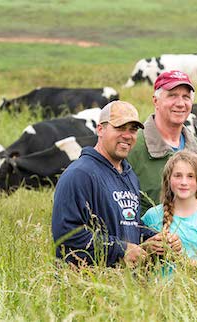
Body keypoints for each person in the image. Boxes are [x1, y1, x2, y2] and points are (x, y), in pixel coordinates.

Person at [52, 101, 180, 267]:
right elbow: (67, 235)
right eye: (120, 128)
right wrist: (122, 249)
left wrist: (154, 239)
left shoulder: (129, 175)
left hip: (123, 286)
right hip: (88, 284)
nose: (127, 135)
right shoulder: (79, 174)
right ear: (100, 129)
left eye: (133, 130)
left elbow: (129, 225)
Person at [128, 70, 197, 214]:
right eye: (172, 96)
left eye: (186, 97)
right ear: (155, 101)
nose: (180, 103)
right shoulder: (133, 147)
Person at [141, 151, 197, 271]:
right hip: (153, 288)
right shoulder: (152, 215)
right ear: (168, 179)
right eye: (177, 176)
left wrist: (179, 254)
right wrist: (149, 247)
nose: (184, 182)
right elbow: (136, 261)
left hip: (188, 289)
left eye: (190, 176)